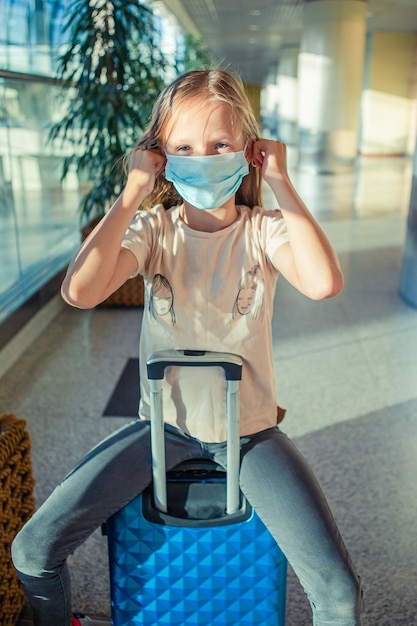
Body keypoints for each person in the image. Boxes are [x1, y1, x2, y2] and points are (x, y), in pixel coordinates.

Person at [12, 68, 363, 626]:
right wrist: (131, 193)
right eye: (183, 147)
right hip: (162, 429)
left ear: (248, 150)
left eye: (220, 144)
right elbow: (80, 292)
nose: (202, 158)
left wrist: (282, 183)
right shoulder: (155, 230)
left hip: (250, 434)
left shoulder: (263, 230)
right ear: (161, 155)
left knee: (339, 593)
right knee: (32, 550)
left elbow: (324, 284)